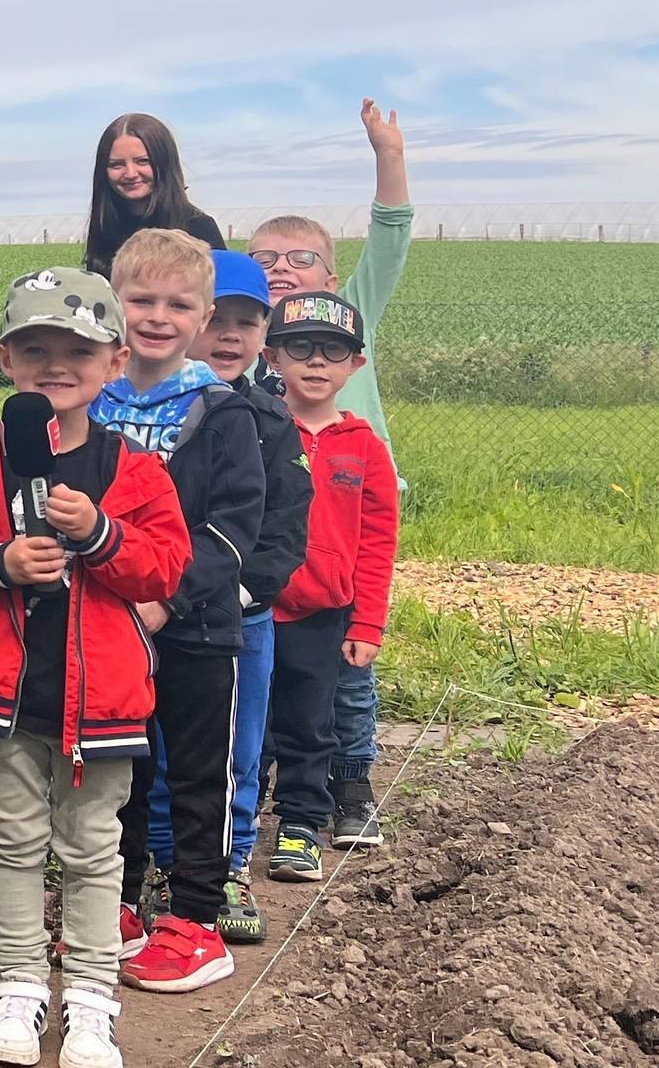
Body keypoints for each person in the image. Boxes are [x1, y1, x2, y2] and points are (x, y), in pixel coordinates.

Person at [0, 265, 190, 1068]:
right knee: (11, 841)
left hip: (102, 700)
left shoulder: (136, 472)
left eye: (77, 347)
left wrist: (103, 533)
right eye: (34, 347)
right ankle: (19, 986)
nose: (54, 364)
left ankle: (92, 1002)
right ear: (6, 360)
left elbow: (166, 568)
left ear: (113, 362)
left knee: (92, 846)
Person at [93, 230, 266, 994]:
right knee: (116, 770)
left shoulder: (225, 413)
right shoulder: (88, 403)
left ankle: (197, 919)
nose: (158, 316)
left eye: (178, 305)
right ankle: (121, 907)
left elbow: (234, 524)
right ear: (113, 305)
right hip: (103, 627)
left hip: (192, 628)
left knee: (199, 775)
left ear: (202, 321)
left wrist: (165, 597)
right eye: (141, 300)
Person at [247, 97, 414, 850]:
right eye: (266, 259)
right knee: (274, 669)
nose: (282, 268)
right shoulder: (244, 341)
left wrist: (387, 155)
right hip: (270, 543)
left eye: (300, 257)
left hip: (351, 507)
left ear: (334, 273)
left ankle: (350, 785)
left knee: (348, 668)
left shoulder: (351, 317)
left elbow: (392, 236)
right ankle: (270, 785)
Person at [182, 249, 313, 944]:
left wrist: (236, 587)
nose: (230, 335)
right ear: (193, 320)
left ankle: (229, 865)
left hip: (240, 617)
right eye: (218, 319)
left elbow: (286, 523)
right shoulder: (159, 410)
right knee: (159, 747)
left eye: (247, 321)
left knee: (236, 746)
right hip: (157, 613)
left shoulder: (270, 418)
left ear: (265, 332)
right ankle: (163, 866)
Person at [262, 291, 398, 884]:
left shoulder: (365, 447)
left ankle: (301, 824)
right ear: (272, 358)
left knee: (311, 723)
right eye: (299, 348)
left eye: (333, 351)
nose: (315, 363)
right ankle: (236, 831)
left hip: (324, 615)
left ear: (355, 366)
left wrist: (366, 623)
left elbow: (377, 542)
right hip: (255, 608)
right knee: (250, 726)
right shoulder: (258, 429)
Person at [81, 113, 227, 277]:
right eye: (116, 165)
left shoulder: (199, 228)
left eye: (142, 161)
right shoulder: (104, 229)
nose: (130, 173)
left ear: (164, 163)